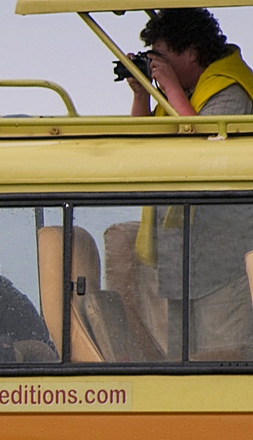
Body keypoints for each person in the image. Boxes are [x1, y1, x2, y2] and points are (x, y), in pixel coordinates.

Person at [127, 9, 253, 360]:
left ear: (192, 53)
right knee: (179, 366)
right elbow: (139, 150)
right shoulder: (185, 92)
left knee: (220, 361)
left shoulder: (231, 90)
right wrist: (142, 94)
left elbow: (205, 155)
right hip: (181, 262)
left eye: (161, 57)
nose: (156, 65)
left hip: (224, 264)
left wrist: (169, 86)